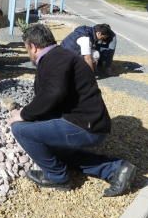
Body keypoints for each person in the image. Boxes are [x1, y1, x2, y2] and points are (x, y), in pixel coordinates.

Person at [8, 24, 136, 196]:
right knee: (57, 152)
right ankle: (117, 169)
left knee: (21, 130)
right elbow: (53, 96)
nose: (28, 53)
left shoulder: (55, 60)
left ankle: (57, 177)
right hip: (89, 123)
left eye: (27, 49)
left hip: (85, 126)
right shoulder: (60, 56)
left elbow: (53, 93)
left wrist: (22, 114)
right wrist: (32, 114)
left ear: (32, 46)